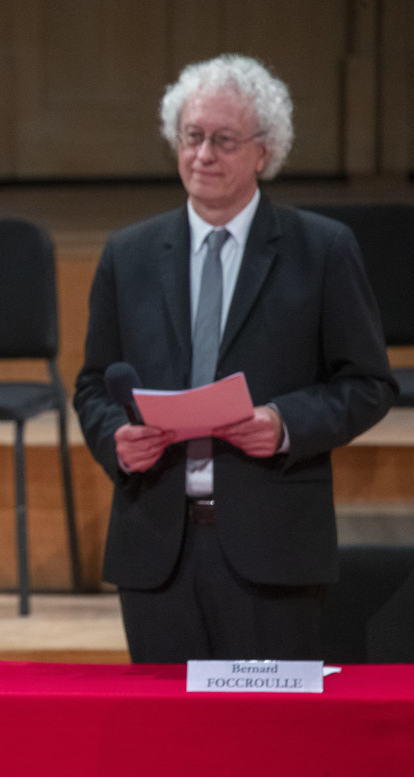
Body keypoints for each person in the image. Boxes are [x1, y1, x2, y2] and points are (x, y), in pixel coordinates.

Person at [74, 55, 396, 664]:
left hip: (274, 548)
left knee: (269, 748)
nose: (203, 154)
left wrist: (285, 424)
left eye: (223, 140)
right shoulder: (129, 254)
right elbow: (93, 384)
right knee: (169, 747)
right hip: (156, 547)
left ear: (264, 152)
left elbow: (369, 383)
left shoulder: (322, 250)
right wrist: (115, 438)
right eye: (192, 137)